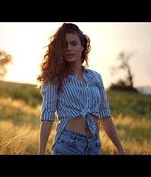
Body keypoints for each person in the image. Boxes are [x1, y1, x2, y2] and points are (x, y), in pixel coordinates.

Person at [37, 23, 125, 155]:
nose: (69, 48)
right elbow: (47, 116)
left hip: (94, 145)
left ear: (82, 46)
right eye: (64, 45)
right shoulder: (54, 77)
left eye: (74, 43)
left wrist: (119, 148)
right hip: (68, 145)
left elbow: (105, 115)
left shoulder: (95, 77)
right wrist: (41, 152)